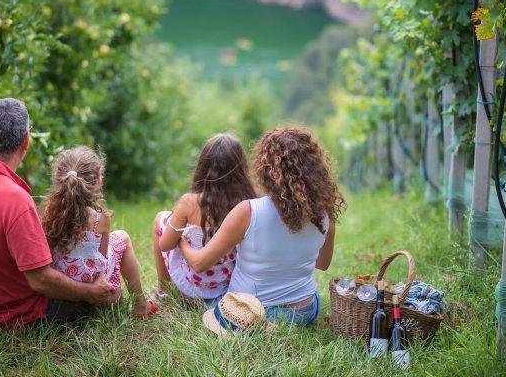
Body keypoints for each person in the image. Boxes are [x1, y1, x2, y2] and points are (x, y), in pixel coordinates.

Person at [0, 98, 111, 327]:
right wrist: (89, 293)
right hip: (17, 316)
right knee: (107, 298)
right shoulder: (16, 199)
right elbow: (41, 280)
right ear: (26, 140)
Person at [178, 127, 346, 325]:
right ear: (315, 168)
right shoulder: (324, 216)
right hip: (304, 311)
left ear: (266, 169)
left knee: (202, 297)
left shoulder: (248, 211)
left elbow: (199, 263)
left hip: (248, 313)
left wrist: (181, 241)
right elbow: (322, 264)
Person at [41, 146, 156, 317]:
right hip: (98, 299)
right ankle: (140, 305)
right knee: (123, 237)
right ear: (98, 182)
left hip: (59, 298)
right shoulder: (100, 220)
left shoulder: (48, 216)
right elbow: (100, 261)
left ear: (58, 179)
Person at [153, 133, 257, 306]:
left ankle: (163, 290)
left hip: (191, 288)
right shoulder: (247, 204)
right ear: (241, 169)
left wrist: (181, 238)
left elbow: (165, 245)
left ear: (202, 165)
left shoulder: (190, 202)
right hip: (227, 286)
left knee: (160, 218)